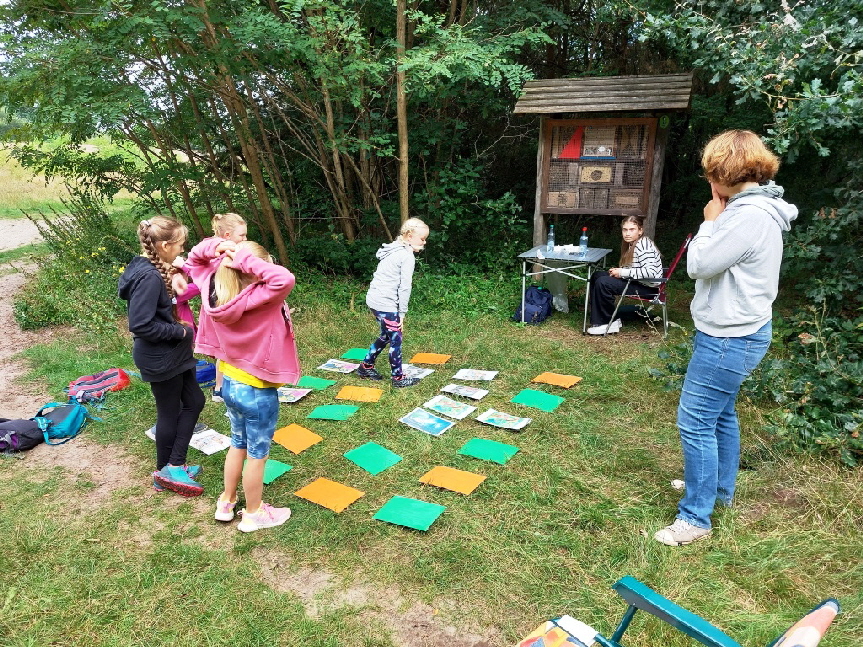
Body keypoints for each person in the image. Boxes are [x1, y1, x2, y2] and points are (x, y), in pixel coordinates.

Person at [654, 130, 798, 546]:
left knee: (695, 420)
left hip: (729, 337)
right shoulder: (757, 209)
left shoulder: (745, 217)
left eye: (710, 174)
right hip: (740, 331)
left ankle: (696, 518)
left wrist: (708, 223)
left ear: (725, 173)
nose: (708, 183)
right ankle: (719, 492)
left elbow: (698, 265)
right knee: (720, 415)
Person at [185, 238, 300, 532]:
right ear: (255, 270)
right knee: (257, 454)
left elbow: (195, 259)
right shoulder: (263, 295)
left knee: (238, 443)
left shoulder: (215, 288)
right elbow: (284, 278)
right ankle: (253, 513)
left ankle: (226, 501)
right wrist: (244, 259)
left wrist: (219, 246)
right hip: (256, 391)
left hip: (230, 383)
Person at [118, 217, 206, 496]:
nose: (182, 250)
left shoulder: (153, 267)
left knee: (194, 401)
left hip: (174, 353)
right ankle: (169, 469)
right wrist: (179, 332)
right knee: (170, 411)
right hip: (160, 356)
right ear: (165, 245)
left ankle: (171, 467)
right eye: (179, 245)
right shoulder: (148, 276)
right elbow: (141, 324)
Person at [356, 218, 429, 388]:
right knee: (396, 338)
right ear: (409, 236)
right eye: (422, 238)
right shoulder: (406, 255)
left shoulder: (395, 248)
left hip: (374, 299)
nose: (424, 242)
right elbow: (405, 287)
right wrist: (401, 313)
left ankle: (366, 367)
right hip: (384, 303)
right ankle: (398, 378)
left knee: (387, 335)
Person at [189, 212, 248, 402]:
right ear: (227, 236)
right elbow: (197, 254)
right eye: (242, 235)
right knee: (223, 351)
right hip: (218, 310)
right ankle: (221, 389)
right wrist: (217, 245)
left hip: (232, 308)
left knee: (230, 351)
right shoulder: (212, 254)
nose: (245, 239)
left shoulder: (237, 252)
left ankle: (224, 387)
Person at [586, 215, 663, 335]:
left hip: (648, 288)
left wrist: (622, 273)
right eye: (625, 229)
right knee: (597, 276)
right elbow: (635, 268)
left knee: (603, 283)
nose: (627, 233)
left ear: (640, 230)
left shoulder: (644, 245)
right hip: (638, 282)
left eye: (632, 229)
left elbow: (651, 272)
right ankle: (601, 314)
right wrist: (619, 271)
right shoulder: (632, 244)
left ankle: (606, 323)